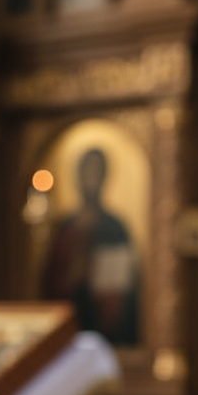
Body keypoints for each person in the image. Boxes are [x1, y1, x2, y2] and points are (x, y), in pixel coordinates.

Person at [41, 147, 140, 345]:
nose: (91, 178)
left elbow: (122, 289)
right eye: (87, 171)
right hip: (67, 327)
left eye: (97, 171)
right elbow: (49, 283)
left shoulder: (115, 227)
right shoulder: (66, 227)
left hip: (105, 330)